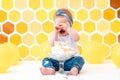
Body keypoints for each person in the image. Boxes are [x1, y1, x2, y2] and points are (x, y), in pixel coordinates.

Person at [40, 8, 84, 76]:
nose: (61, 26)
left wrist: (68, 29)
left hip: (70, 61)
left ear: (70, 24)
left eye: (64, 23)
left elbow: (77, 38)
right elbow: (52, 44)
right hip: (56, 61)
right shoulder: (55, 34)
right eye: (58, 24)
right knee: (45, 59)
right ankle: (50, 69)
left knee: (80, 59)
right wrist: (55, 32)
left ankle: (74, 68)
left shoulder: (71, 33)